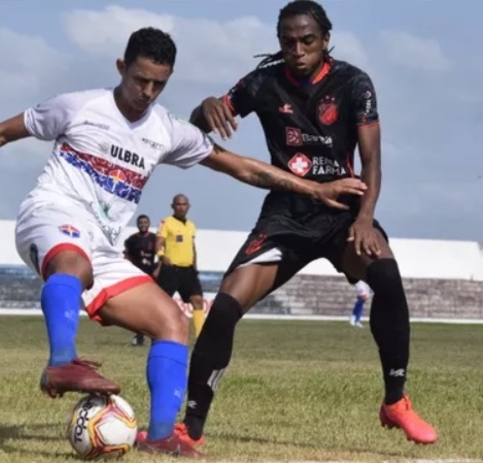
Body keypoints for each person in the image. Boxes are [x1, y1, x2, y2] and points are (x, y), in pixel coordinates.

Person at [0, 27, 367, 458]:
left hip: (103, 247)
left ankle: (161, 437)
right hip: (51, 215)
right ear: (121, 66)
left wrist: (316, 189)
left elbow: (242, 167)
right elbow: (2, 133)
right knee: (73, 263)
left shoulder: (165, 130)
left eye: (159, 85)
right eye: (141, 79)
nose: (147, 92)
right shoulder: (79, 107)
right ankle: (61, 363)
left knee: (171, 320)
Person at [177, 0, 438, 448]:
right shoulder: (263, 82)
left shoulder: (354, 83)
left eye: (307, 40)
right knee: (223, 308)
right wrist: (204, 108)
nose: (297, 49)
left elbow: (372, 160)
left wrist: (367, 219)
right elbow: (198, 125)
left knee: (388, 278)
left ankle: (395, 401)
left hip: (343, 213)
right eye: (288, 41)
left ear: (325, 40)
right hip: (286, 213)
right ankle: (190, 431)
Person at [155, 194, 205, 338]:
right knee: (162, 303)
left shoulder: (191, 225)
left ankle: (201, 337)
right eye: (178, 204)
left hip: (188, 270)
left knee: (197, 300)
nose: (181, 207)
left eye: (184, 204)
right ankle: (158, 332)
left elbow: (192, 246)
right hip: (171, 269)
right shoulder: (166, 222)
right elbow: (158, 242)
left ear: (188, 206)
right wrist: (161, 255)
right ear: (173, 206)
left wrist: (195, 265)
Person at [123, 214, 157, 346]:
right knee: (138, 307)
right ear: (138, 224)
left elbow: (161, 254)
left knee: (151, 307)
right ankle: (139, 335)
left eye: (145, 222)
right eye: (141, 222)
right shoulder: (132, 240)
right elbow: (126, 255)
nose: (143, 224)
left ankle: (154, 334)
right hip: (137, 276)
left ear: (149, 224)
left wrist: (158, 269)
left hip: (151, 277)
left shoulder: (155, 239)